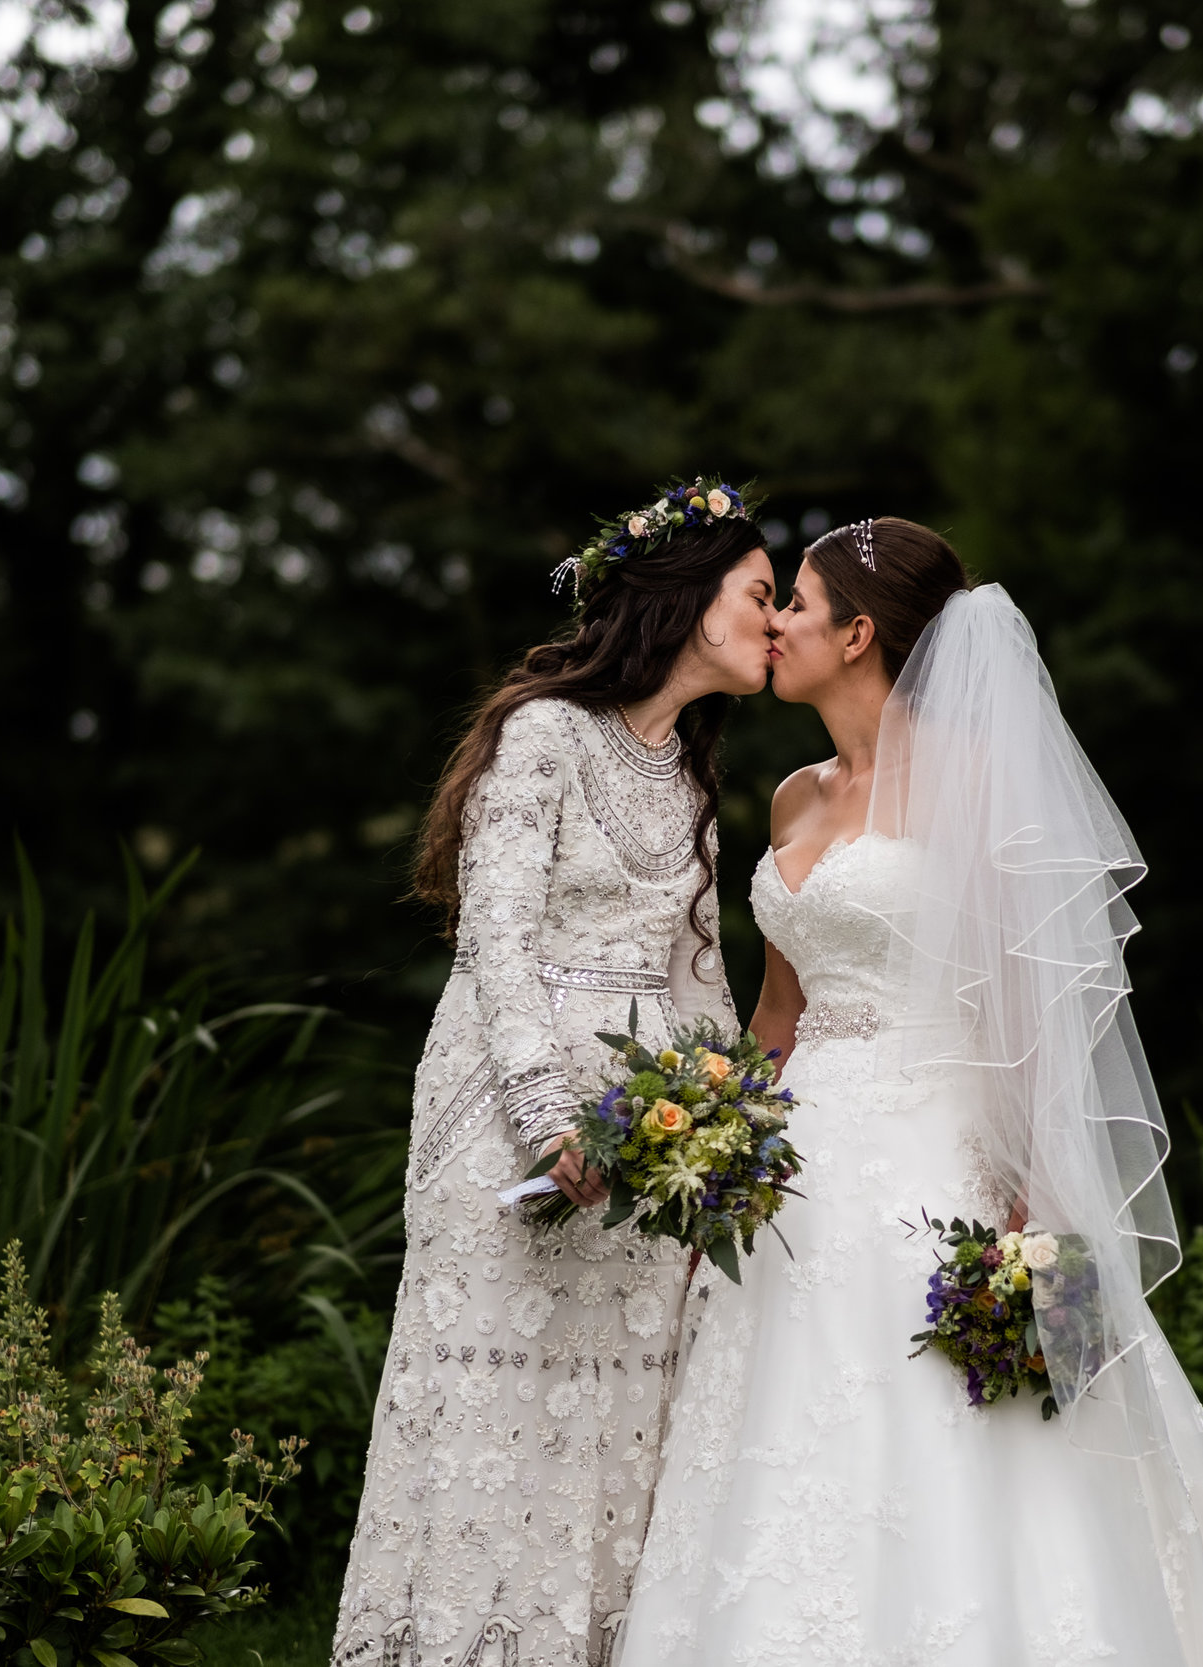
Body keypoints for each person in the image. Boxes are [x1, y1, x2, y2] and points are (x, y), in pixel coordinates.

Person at [616, 518, 1203, 1666]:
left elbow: (1032, 1023)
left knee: (968, 1443)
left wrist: (1039, 1217)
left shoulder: (976, 790)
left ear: (857, 632)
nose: (771, 623)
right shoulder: (793, 797)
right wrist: (711, 1152)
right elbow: (779, 1014)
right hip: (791, 1184)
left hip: (933, 1166)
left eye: (792, 601)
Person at [334, 480, 776, 1667]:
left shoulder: (690, 782)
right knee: (492, 1412)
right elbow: (496, 935)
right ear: (686, 605)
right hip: (508, 1116)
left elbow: (698, 981)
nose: (775, 623)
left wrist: (731, 1135)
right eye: (759, 595)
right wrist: (545, 1117)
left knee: (616, 1425)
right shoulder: (544, 735)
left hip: (647, 1139)